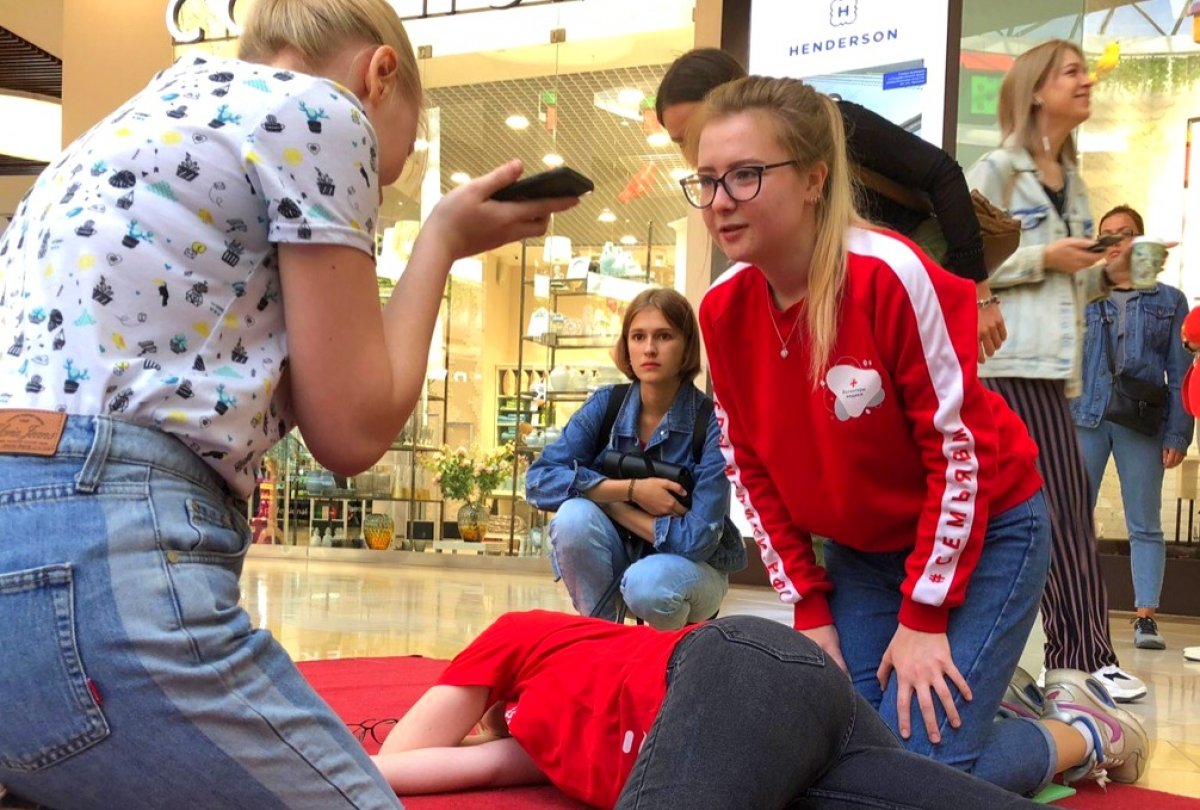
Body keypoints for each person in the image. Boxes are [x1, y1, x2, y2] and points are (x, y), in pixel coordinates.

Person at [0, 0, 578, 806]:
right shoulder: (318, 108)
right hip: (106, 544)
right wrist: (438, 241)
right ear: (379, 75)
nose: (379, 187)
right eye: (386, 169)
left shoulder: (122, 129)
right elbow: (351, 429)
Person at [686, 74, 1146, 794]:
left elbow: (957, 456)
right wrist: (809, 609)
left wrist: (925, 616)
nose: (719, 201)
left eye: (745, 176)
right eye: (707, 180)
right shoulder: (721, 309)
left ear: (814, 180)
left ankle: (1080, 732)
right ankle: (996, 698)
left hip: (991, 531)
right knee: (838, 754)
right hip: (866, 556)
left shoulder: (891, 275)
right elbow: (748, 469)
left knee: (917, 777)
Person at [372, 609, 1045, 810]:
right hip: (783, 742)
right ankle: (1085, 732)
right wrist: (497, 732)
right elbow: (486, 768)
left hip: (734, 669)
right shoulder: (538, 744)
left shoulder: (515, 638)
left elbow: (395, 758)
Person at [965, 40, 1146, 702]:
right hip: (1009, 365)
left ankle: (1060, 659)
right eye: (1072, 72)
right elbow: (962, 265)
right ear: (1036, 89)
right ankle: (1081, 657)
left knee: (1050, 509)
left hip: (1048, 369)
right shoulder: (997, 172)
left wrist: (1110, 272)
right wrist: (1046, 257)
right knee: (1063, 506)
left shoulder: (1075, 181)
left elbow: (1070, 284)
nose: (1086, 82)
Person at [655, 47, 1008, 361]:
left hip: (899, 274)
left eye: (746, 174)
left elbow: (942, 173)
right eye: (681, 141)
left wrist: (977, 289)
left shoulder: (829, 126)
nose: (696, 148)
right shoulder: (727, 301)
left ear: (813, 179)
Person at [525, 288, 745, 628]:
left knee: (648, 584)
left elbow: (697, 540)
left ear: (686, 345)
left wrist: (605, 501)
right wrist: (629, 491)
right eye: (638, 336)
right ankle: (602, 635)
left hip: (690, 572)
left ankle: (667, 664)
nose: (649, 349)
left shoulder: (712, 422)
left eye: (664, 336)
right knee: (573, 516)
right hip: (619, 555)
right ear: (626, 345)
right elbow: (538, 481)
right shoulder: (606, 405)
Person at [1072, 205, 1192, 650]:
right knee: (1074, 520)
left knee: (1144, 522)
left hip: (1142, 420)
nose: (1117, 241)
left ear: (1140, 240)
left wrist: (1179, 432)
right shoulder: (1084, 291)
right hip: (1085, 415)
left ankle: (1145, 617)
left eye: (1126, 234)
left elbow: (1181, 372)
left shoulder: (1168, 300)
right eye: (1108, 235)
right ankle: (1078, 608)